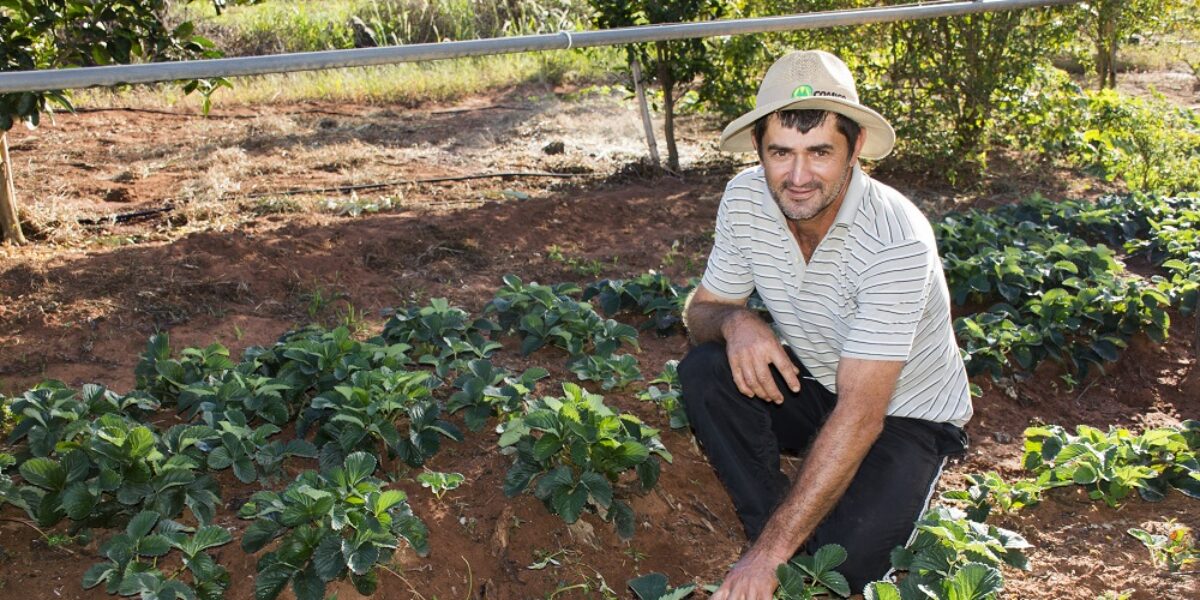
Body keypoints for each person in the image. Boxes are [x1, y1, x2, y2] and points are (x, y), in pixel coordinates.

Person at [680, 50, 973, 598]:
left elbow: (861, 413)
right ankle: (770, 530)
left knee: (845, 569)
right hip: (820, 381)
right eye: (780, 153)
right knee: (706, 370)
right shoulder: (745, 199)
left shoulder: (895, 241)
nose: (797, 177)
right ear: (759, 148)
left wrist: (769, 557)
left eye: (819, 152)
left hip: (905, 412)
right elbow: (702, 312)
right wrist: (737, 320)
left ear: (854, 148)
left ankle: (777, 552)